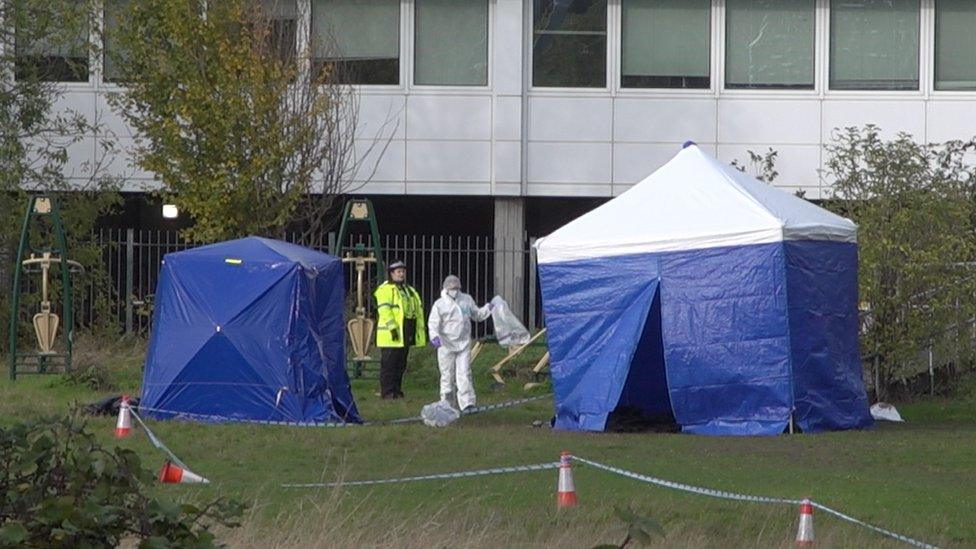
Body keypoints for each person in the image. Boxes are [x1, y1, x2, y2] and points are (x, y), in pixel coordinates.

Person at [427, 275, 492, 411]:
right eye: (451, 288)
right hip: (445, 344)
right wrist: (434, 337)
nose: (454, 290)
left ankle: (467, 404)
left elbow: (477, 314)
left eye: (456, 288)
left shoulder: (466, 300)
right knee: (447, 375)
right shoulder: (440, 304)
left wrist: (488, 308)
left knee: (464, 373)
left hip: (463, 343)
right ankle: (447, 405)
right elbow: (433, 323)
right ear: (446, 289)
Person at [374, 260, 426, 399]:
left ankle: (397, 390)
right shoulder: (385, 289)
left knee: (400, 364)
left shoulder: (409, 290)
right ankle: (387, 392)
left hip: (406, 330)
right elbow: (384, 310)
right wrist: (392, 328)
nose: (401, 274)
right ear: (391, 274)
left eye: (403, 271)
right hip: (391, 334)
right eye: (398, 272)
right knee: (389, 364)